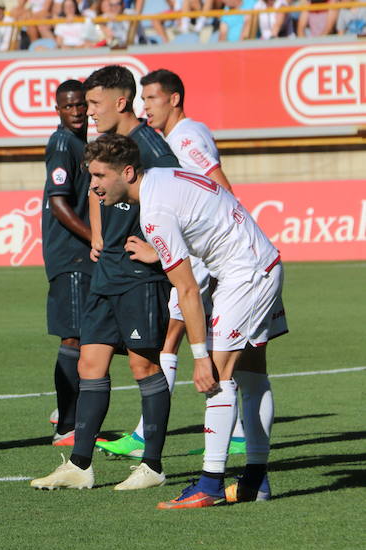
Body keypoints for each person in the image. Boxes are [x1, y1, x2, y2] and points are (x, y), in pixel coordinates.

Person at [83, 133, 287, 509]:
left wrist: (199, 355)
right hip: (259, 261)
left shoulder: (154, 212)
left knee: (216, 379)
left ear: (127, 172)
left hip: (245, 272)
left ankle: (209, 484)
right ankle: (256, 482)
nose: (93, 185)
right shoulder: (162, 178)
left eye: (99, 175)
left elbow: (188, 290)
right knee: (253, 376)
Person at [30, 65, 178, 492]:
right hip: (105, 270)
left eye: (94, 103)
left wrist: (157, 248)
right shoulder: (104, 145)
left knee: (142, 363)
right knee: (91, 362)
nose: (88, 111)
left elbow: (181, 196)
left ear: (119, 102)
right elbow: (97, 190)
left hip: (139, 275)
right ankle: (80, 466)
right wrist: (96, 233)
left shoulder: (151, 145)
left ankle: (152, 465)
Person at [98, 68, 244, 459]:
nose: (145, 108)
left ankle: (149, 435)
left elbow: (220, 185)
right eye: (142, 99)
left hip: (202, 250)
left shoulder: (186, 137)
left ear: (174, 99)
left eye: (152, 99)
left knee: (176, 337)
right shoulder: (172, 136)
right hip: (199, 246)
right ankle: (236, 430)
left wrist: (213, 239)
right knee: (194, 339)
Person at [38, 80, 96, 449]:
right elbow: (60, 203)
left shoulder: (82, 145)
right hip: (71, 253)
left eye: (80, 105)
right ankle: (66, 424)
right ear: (58, 109)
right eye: (68, 106)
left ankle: (68, 414)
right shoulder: (62, 144)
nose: (75, 112)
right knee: (74, 335)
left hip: (81, 253)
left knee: (87, 334)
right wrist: (96, 238)